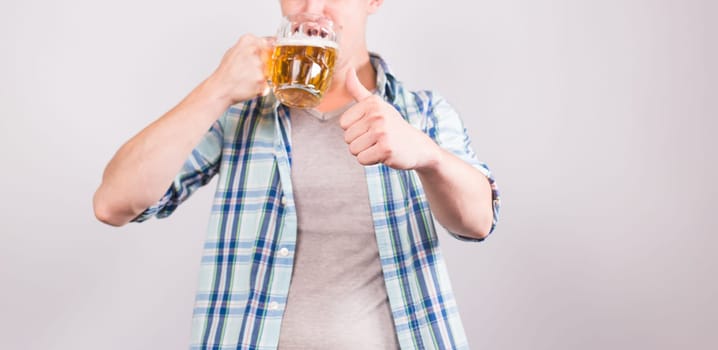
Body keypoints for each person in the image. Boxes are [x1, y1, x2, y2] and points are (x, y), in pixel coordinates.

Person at [93, 0, 500, 349]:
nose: (311, 11)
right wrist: (217, 88)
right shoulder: (240, 112)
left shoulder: (420, 112)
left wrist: (427, 155)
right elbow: (114, 203)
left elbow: (478, 222)